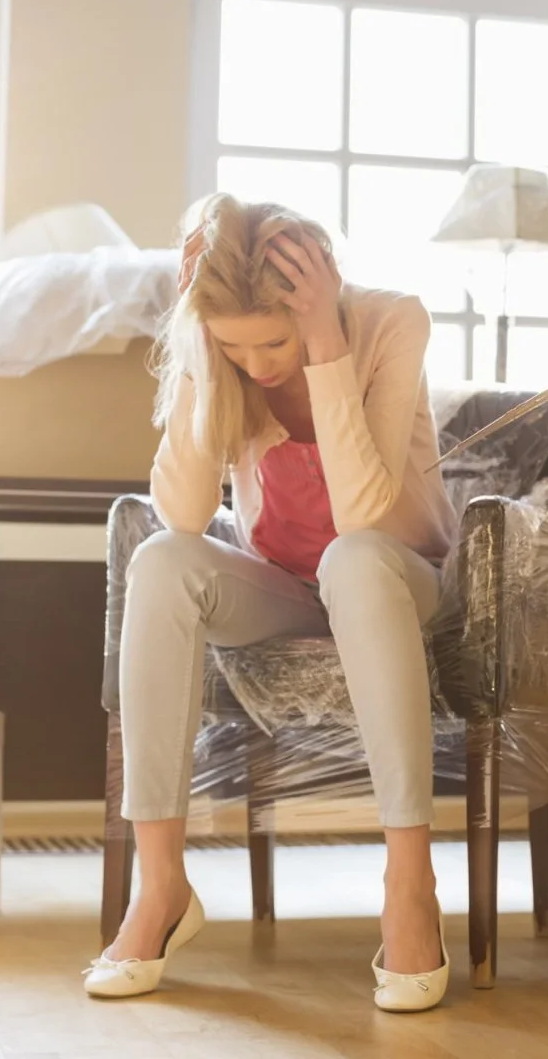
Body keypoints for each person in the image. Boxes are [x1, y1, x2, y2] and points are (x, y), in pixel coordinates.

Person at [82, 193, 460, 1012]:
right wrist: (196, 353)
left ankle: (409, 887)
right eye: (235, 346)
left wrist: (324, 344)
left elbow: (362, 516)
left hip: (399, 583)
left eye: (273, 341)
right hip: (287, 588)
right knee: (160, 561)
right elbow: (184, 514)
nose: (258, 365)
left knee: (355, 559)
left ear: (315, 302)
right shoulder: (224, 357)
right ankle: (161, 890)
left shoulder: (393, 322)